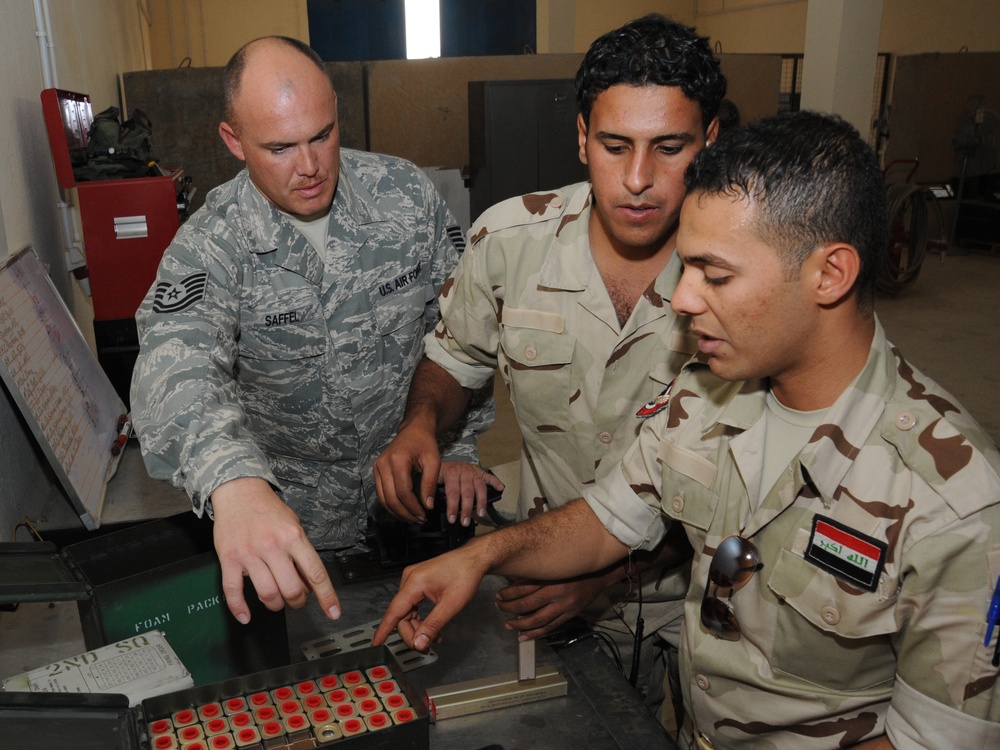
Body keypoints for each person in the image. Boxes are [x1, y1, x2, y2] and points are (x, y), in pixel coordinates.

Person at [374, 111, 1000, 749]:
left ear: (830, 274)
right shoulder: (706, 393)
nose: (681, 298)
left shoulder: (957, 504)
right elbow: (606, 521)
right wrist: (480, 557)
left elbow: (934, 740)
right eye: (686, 267)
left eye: (715, 274)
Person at [374, 14, 726, 714]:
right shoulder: (510, 241)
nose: (637, 180)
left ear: (710, 141)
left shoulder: (737, 278)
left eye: (669, 147)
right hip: (537, 591)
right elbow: (455, 357)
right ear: (580, 137)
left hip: (693, 606)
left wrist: (604, 577)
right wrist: (421, 424)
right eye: (614, 145)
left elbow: (746, 482)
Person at [130, 36, 492, 626]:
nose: (310, 166)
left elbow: (461, 327)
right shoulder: (212, 244)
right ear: (234, 142)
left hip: (414, 507)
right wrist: (233, 484)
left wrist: (460, 445)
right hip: (289, 533)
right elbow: (177, 363)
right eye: (279, 147)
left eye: (322, 135)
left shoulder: (404, 197)